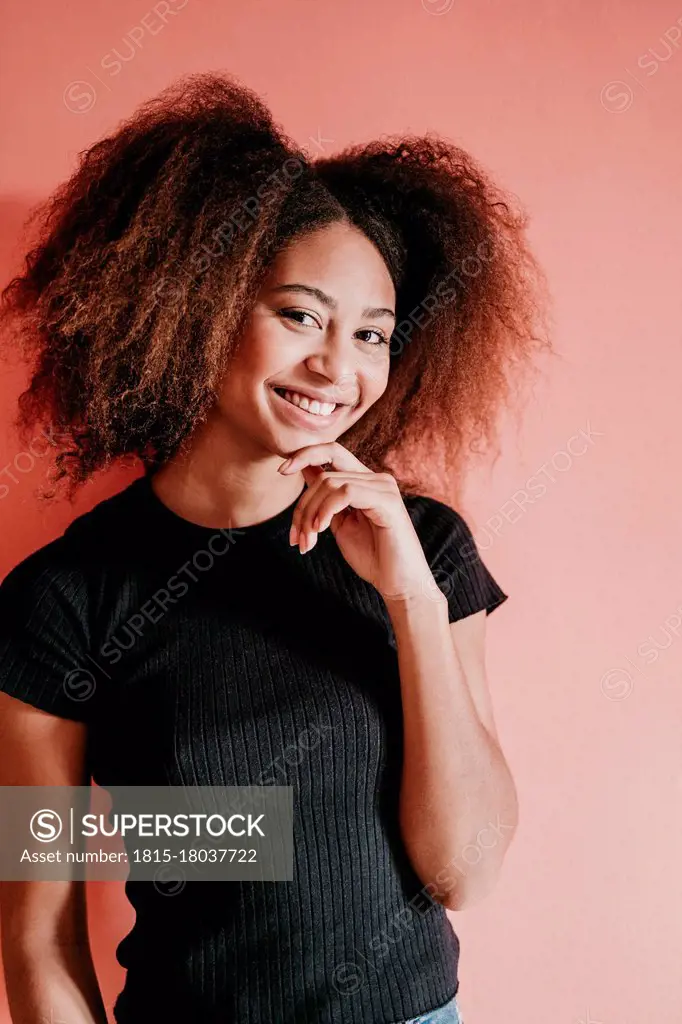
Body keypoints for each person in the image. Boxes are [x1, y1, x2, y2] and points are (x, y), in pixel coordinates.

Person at [0, 72, 548, 1024]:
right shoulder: (67, 598)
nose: (339, 368)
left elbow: (466, 872)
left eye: (371, 333)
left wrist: (414, 601)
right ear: (199, 312)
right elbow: (39, 930)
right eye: (300, 316)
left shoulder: (425, 547)